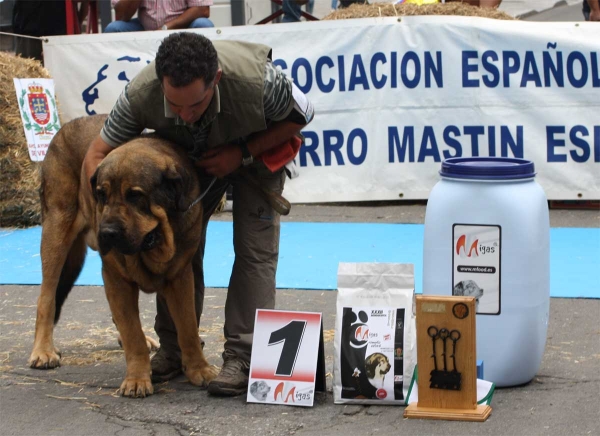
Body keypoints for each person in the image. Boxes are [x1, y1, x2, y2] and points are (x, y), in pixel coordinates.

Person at [82, 32, 314, 396]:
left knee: (255, 251)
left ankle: (243, 356)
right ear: (161, 84)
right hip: (194, 164)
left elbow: (301, 117)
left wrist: (242, 153)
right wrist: (103, 216)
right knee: (180, 251)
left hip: (254, 156)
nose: (185, 115)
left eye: (195, 105)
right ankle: (176, 351)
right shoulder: (140, 94)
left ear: (216, 79)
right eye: (174, 107)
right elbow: (96, 157)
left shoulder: (262, 83)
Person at [104, 0, 214, 33]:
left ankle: (205, 80)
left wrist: (165, 28)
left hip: (182, 28)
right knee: (113, 29)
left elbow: (202, 9)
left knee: (203, 25)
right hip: (145, 29)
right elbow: (121, 14)